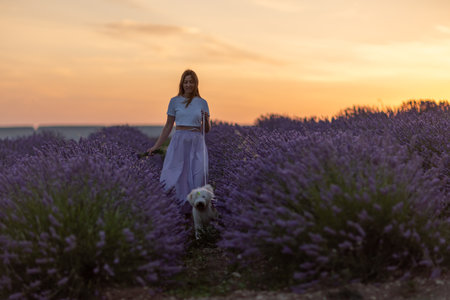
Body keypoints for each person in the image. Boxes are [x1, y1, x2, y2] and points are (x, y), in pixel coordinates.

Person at [147, 69, 210, 209]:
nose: (188, 85)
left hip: (197, 142)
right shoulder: (174, 101)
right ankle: (176, 209)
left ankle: (195, 211)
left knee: (198, 175)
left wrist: (205, 118)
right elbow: (168, 126)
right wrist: (156, 146)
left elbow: (206, 129)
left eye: (191, 82)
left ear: (196, 84)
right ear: (182, 84)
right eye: (185, 82)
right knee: (175, 174)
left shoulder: (202, 102)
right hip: (179, 141)